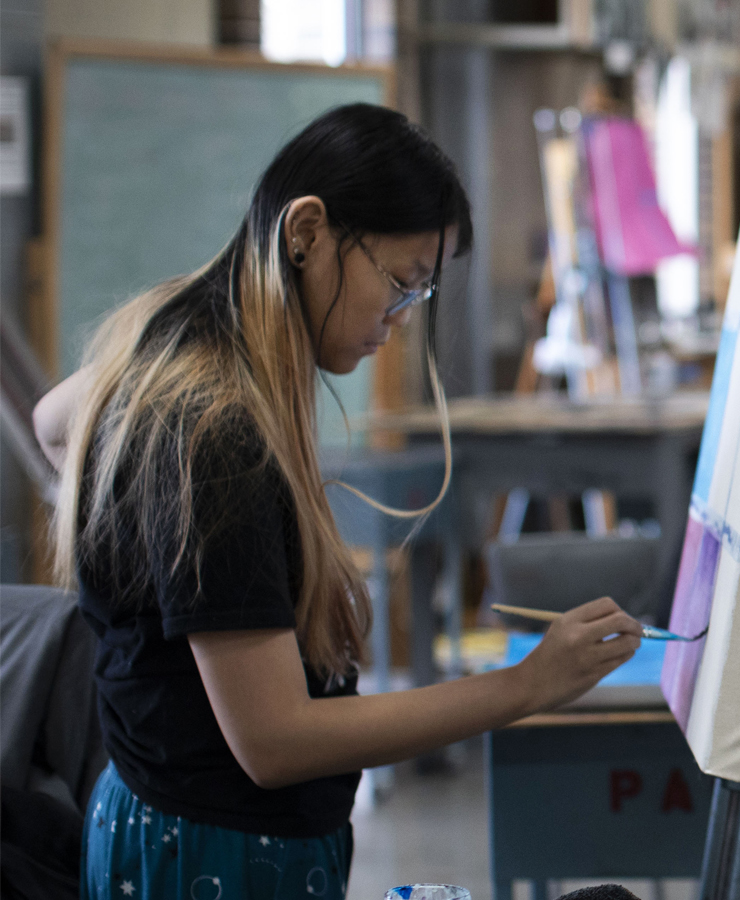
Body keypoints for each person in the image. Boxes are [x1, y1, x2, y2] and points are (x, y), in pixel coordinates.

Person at [31, 104, 642, 900]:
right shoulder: (214, 434)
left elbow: (53, 426)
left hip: (179, 826)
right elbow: (275, 742)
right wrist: (525, 686)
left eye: (416, 296)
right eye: (397, 283)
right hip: (208, 856)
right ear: (307, 232)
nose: (394, 322)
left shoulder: (179, 336)